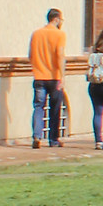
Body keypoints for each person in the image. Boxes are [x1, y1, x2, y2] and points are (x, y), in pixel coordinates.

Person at [28, 9, 67, 149]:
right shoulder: (59, 34)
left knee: (38, 107)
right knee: (55, 108)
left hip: (39, 75)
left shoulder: (36, 34)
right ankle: (53, 139)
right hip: (54, 76)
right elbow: (60, 56)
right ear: (56, 19)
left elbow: (30, 55)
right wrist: (63, 77)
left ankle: (37, 136)